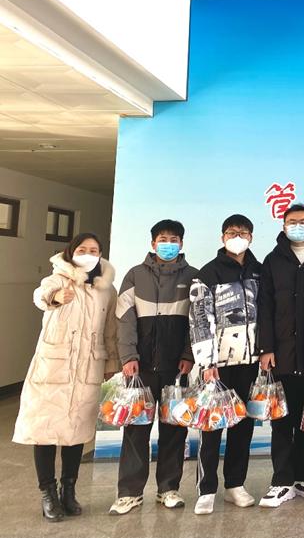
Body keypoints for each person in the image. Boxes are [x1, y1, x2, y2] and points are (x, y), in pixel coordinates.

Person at [13, 233, 120, 522]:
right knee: (45, 431)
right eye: (82, 249)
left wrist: (111, 362)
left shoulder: (107, 290)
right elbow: (40, 296)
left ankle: (68, 490)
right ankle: (47, 493)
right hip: (54, 367)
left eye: (94, 250)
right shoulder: (57, 279)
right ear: (70, 252)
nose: (88, 254)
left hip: (89, 367)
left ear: (100, 255)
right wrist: (55, 298)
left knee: (76, 432)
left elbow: (110, 330)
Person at [111, 220, 198, 515]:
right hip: (141, 367)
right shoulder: (135, 275)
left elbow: (197, 321)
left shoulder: (194, 276)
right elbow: (124, 319)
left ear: (181, 244)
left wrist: (188, 354)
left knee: (174, 429)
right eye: (163, 239)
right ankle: (130, 493)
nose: (168, 244)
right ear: (153, 243)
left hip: (177, 368)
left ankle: (168, 489)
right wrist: (128, 357)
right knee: (136, 429)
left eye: (174, 239)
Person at [256, 203, 304, 507]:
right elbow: (265, 307)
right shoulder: (273, 260)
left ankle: (302, 477)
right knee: (281, 422)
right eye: (292, 221)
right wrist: (266, 348)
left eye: (303, 221)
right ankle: (281, 481)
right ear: (284, 225)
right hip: (282, 356)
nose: (298, 226)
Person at [189, 214, 262, 515]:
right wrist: (207, 362)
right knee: (212, 426)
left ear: (251, 237)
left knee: (243, 426)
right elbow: (199, 320)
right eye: (232, 232)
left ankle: (235, 484)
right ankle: (206, 489)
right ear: (222, 237)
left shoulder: (259, 271)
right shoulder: (208, 273)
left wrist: (265, 353)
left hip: (250, 362)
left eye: (243, 233)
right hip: (217, 365)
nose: (237, 237)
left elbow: (268, 314)